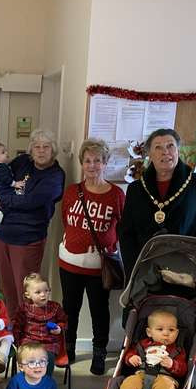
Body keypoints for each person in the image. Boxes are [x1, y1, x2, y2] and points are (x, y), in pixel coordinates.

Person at [59, 138, 125, 372]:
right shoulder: (72, 192)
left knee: (99, 310)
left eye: (97, 160)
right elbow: (66, 220)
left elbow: (121, 227)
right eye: (87, 161)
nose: (92, 165)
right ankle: (69, 348)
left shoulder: (116, 194)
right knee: (70, 308)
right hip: (70, 263)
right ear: (82, 164)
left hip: (100, 266)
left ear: (105, 163)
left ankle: (99, 352)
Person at [117, 128, 196, 276]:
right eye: (158, 147)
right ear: (149, 154)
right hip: (145, 271)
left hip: (185, 271)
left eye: (170, 146)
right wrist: (134, 270)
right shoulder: (136, 189)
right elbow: (126, 233)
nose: (165, 152)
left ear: (178, 150)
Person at [0, 128, 65, 312]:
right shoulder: (22, 162)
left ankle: (29, 333)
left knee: (27, 291)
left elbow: (30, 201)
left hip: (27, 240)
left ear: (53, 150)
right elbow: (1, 176)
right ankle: (12, 330)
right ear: (31, 149)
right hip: (2, 235)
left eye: (46, 147)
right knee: (7, 288)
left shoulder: (55, 176)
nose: (41, 150)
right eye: (37, 146)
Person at [119, 310, 187, 389]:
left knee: (164, 387)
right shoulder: (142, 345)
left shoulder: (178, 351)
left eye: (171, 330)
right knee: (128, 382)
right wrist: (131, 358)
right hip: (142, 375)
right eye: (160, 329)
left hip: (166, 378)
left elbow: (183, 370)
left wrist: (172, 364)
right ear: (149, 332)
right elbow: (129, 354)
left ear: (177, 333)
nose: (166, 333)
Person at [12, 273, 68, 376]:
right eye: (38, 292)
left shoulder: (55, 307)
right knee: (27, 357)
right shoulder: (24, 309)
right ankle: (27, 380)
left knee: (48, 358)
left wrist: (59, 328)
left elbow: (64, 321)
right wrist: (17, 343)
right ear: (28, 294)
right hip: (28, 341)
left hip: (49, 343)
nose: (43, 294)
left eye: (46, 291)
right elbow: (16, 326)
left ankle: (45, 381)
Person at [0, 142, 26, 229]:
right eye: (3, 152)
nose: (6, 153)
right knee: (11, 197)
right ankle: (1, 211)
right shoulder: (3, 167)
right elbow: (6, 179)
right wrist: (15, 184)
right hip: (3, 190)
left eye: (6, 151)